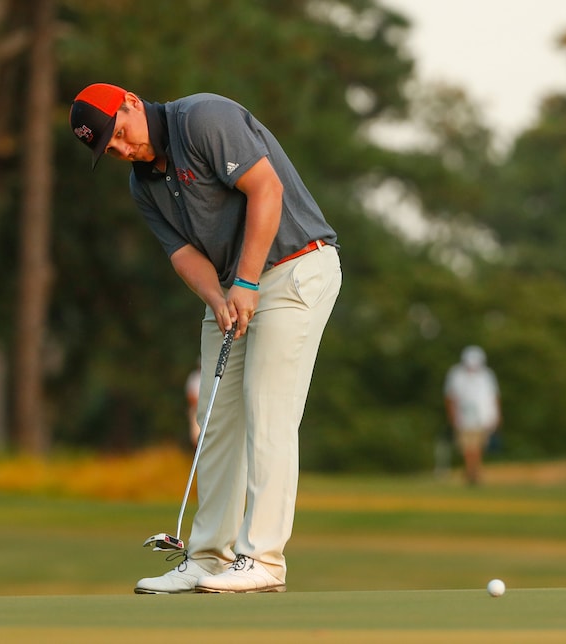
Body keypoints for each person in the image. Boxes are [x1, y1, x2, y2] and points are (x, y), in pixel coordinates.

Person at [70, 83, 342, 594]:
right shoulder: (142, 185)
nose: (123, 150)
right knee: (214, 418)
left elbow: (267, 190)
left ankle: (263, 559)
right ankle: (208, 557)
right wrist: (219, 299)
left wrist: (245, 282)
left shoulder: (203, 118)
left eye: (120, 134)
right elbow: (182, 254)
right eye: (110, 149)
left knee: (268, 409)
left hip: (296, 266)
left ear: (130, 102)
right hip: (232, 286)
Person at [444, 345, 501, 485]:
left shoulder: (487, 375)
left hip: (482, 416)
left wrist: (496, 415)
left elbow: (493, 397)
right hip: (463, 417)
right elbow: (450, 397)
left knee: (478, 445)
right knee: (467, 446)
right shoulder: (456, 374)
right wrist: (452, 415)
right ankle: (472, 472)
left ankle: (473, 472)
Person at [185, 361, 201, 448]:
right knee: (196, 437)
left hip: (209, 410)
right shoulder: (194, 377)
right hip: (195, 410)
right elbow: (190, 395)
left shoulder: (211, 376)